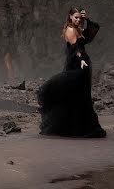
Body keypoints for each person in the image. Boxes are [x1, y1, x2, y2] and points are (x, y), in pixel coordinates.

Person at [36, 7, 106, 137]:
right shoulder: (70, 30)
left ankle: (80, 126)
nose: (78, 20)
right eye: (76, 17)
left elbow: (92, 33)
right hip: (76, 63)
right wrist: (81, 59)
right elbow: (76, 48)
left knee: (81, 95)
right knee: (70, 92)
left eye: (80, 17)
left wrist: (87, 19)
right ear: (70, 17)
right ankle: (69, 126)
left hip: (82, 64)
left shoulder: (79, 29)